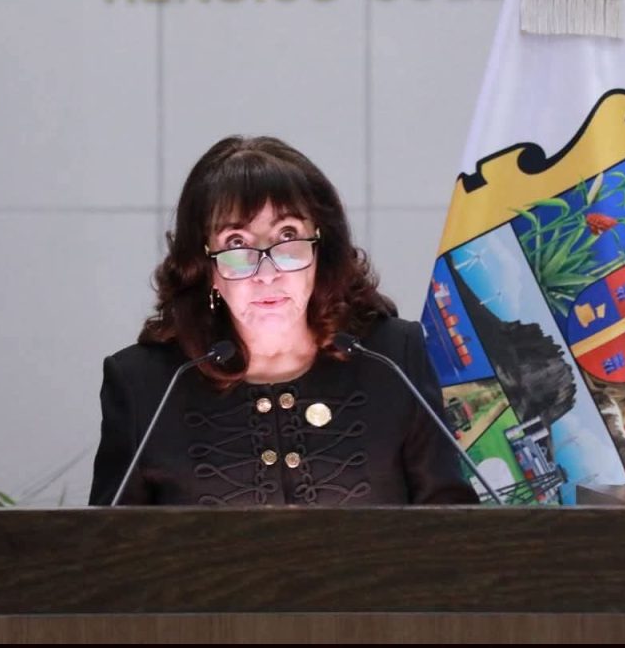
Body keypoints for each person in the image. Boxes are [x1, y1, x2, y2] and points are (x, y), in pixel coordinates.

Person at [89, 135, 478, 506]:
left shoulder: (394, 358)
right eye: (236, 243)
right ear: (205, 267)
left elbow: (454, 526)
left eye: (287, 235)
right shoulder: (145, 385)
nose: (267, 272)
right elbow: (107, 545)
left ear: (321, 249)